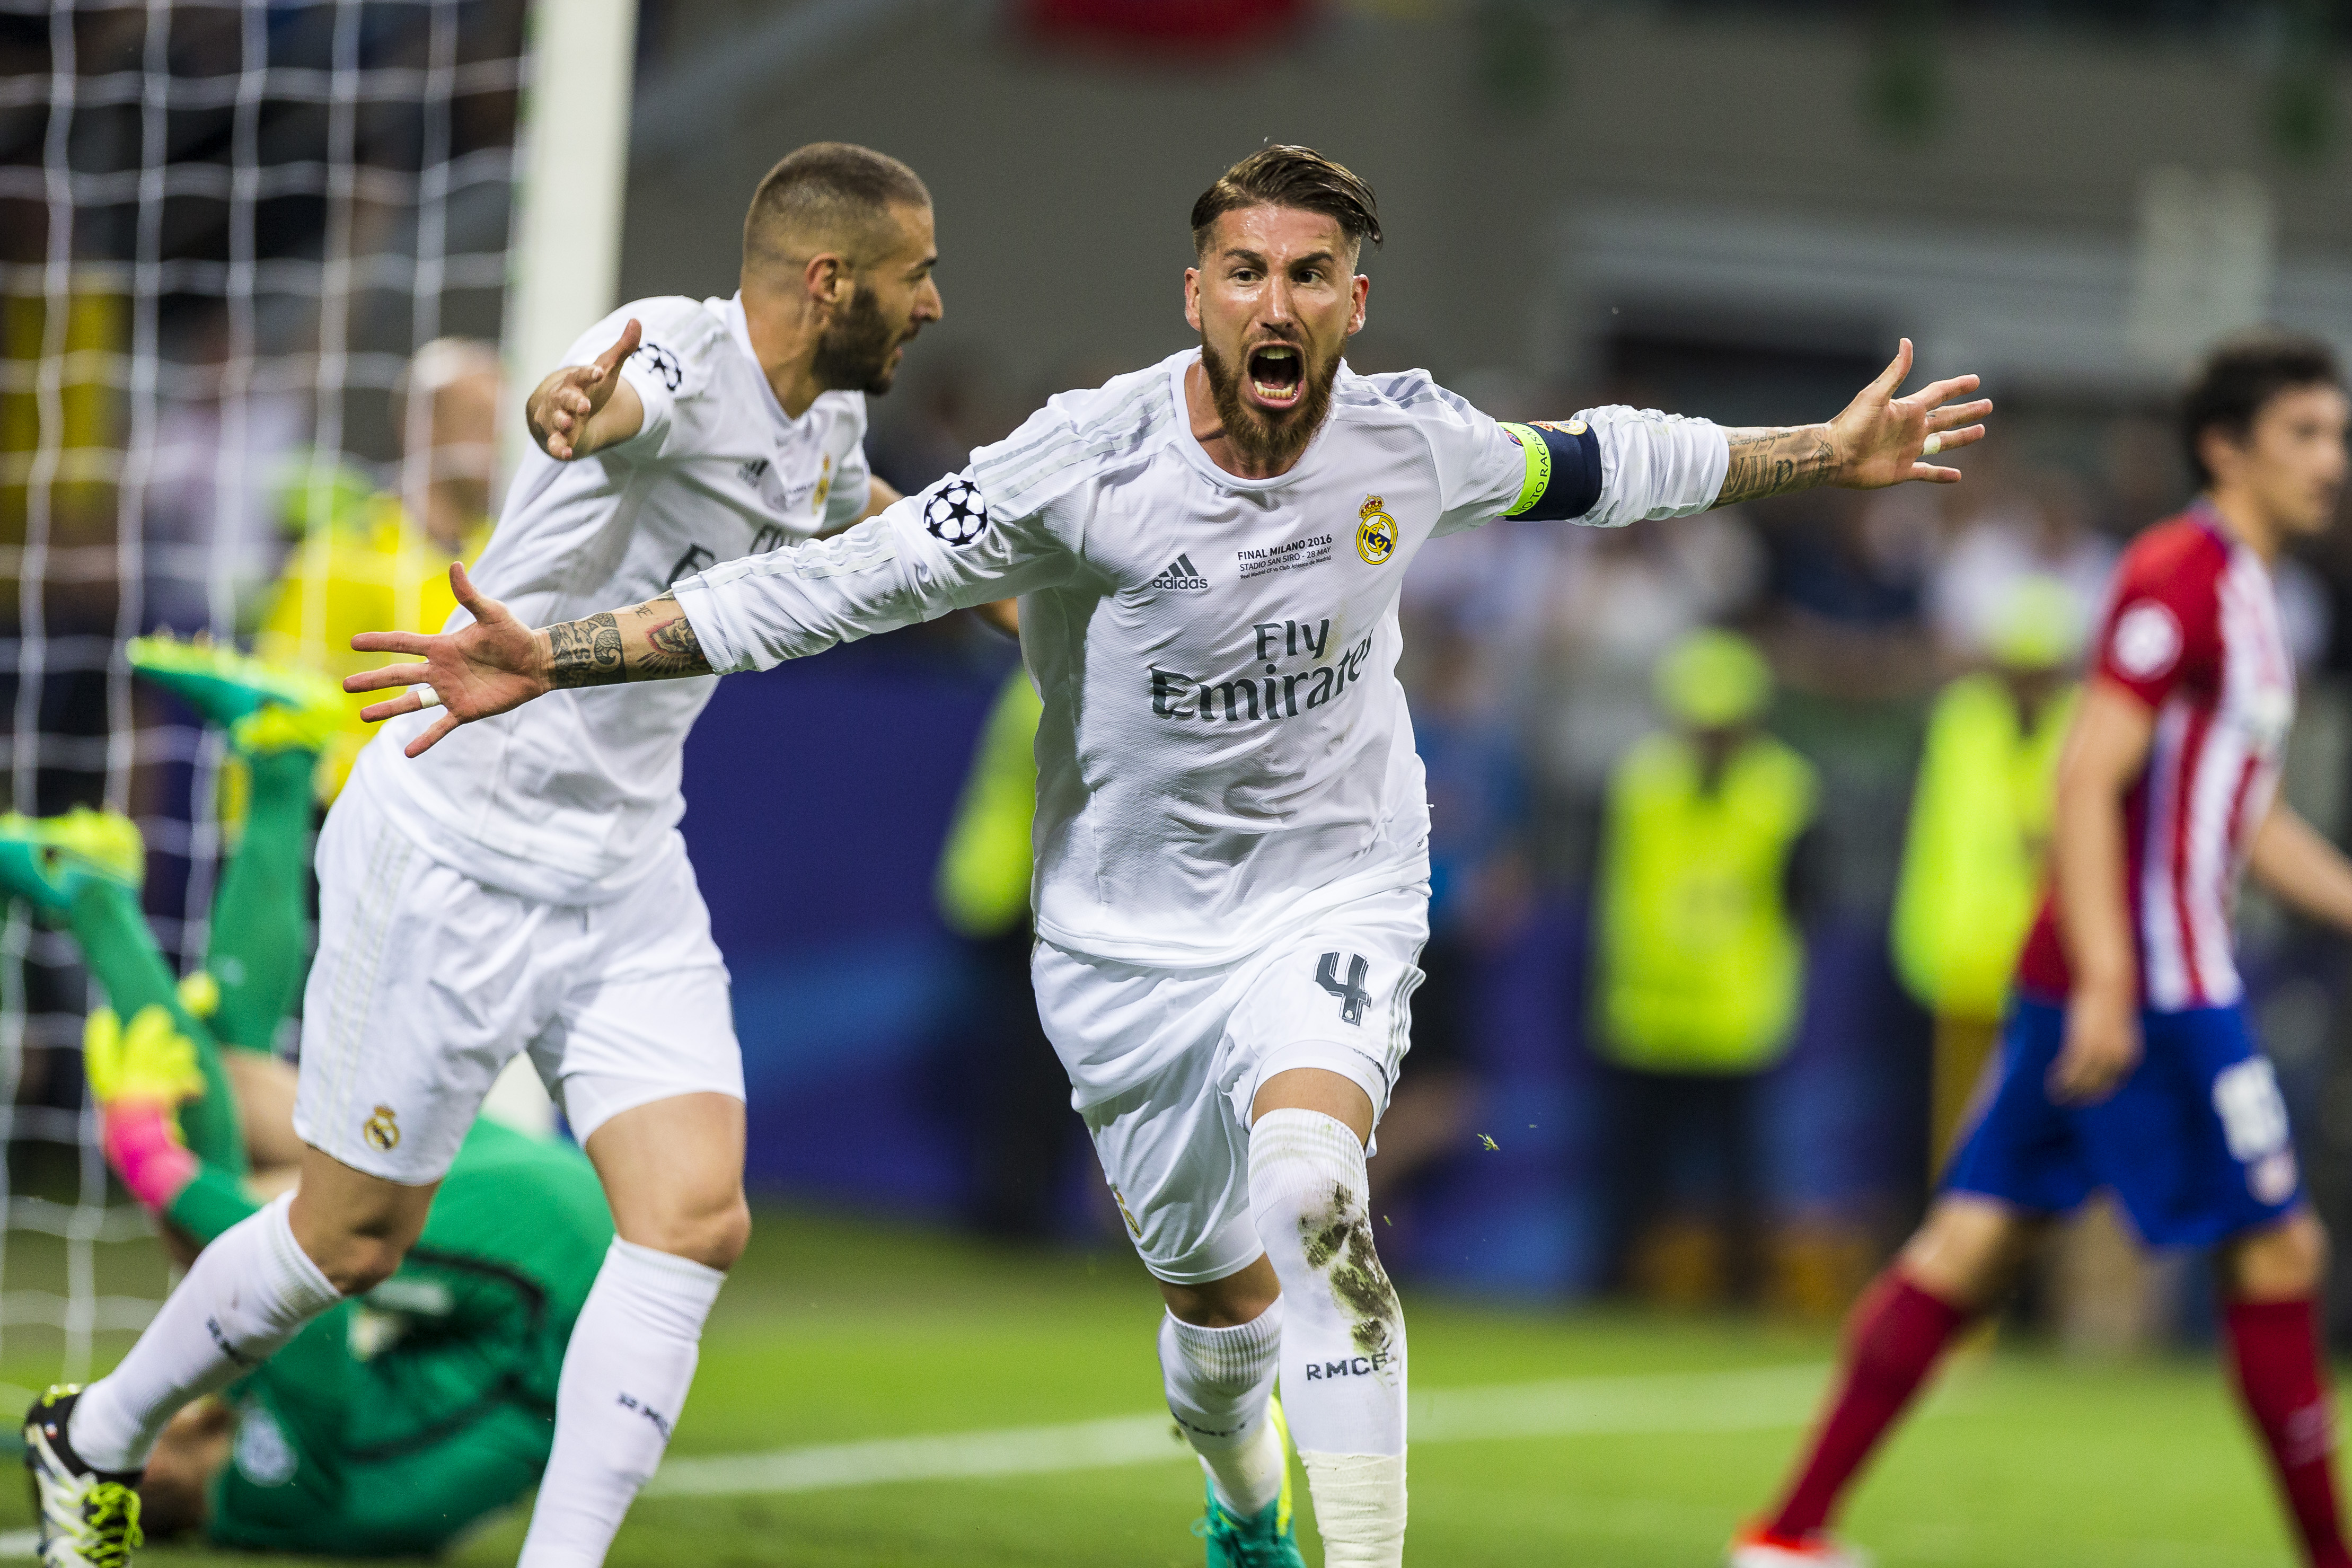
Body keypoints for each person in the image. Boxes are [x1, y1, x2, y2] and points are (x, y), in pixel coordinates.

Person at [344, 145, 1989, 1567]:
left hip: (1336, 882)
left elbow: (1608, 459)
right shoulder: (1084, 462)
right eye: (1246, 271)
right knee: (1217, 1317)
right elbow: (816, 590)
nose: (1278, 304)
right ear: (1195, 290)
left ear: (1355, 297)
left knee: (1313, 1187)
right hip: (1123, 939)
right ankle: (1239, 1495)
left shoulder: (1409, 441)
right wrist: (559, 649)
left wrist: (1817, 451)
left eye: (1314, 275)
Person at [23, 141, 942, 1568]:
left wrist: (1022, 570)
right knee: (348, 1240)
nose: (932, 302)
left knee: (694, 1217)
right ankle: (94, 1435)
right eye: (912, 276)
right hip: (457, 847)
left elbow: (857, 514)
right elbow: (606, 405)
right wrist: (568, 403)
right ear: (829, 283)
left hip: (626, 864)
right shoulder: (677, 359)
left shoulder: (816, 423)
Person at [1730, 332, 2352, 1568]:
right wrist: (2114, 989)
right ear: (2222, 448)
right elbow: (2081, 776)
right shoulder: (2177, 574)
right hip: (2155, 986)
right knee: (2279, 1247)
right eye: (2302, 436)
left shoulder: (2253, 591)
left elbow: (2243, 812)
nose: (2330, 463)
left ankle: (1785, 1534)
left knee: (1965, 1245)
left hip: (2096, 978)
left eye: (2336, 437)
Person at [1, 801, 610, 1557]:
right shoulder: (264, 1496)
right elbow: (310, 1288)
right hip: (543, 1275)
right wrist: (155, 1167)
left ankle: (274, 780)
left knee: (230, 1088)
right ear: (148, 1467)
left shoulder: (262, 1445)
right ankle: (104, 898)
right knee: (255, 1241)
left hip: (535, 1229)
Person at [1589, 628, 1817, 1306]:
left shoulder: (1784, 790)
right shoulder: (1639, 781)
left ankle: (1742, 1293)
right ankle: (1620, 1292)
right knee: (1634, 1171)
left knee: (1742, 1173)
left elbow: (1807, 898)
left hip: (1736, 1010)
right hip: (1646, 1006)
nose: (1712, 739)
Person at [256, 337, 504, 801]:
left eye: (500, 426)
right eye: (477, 421)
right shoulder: (342, 557)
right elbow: (275, 705)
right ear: (423, 426)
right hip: (353, 816)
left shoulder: (507, 559)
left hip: (471, 822)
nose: (493, 443)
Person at [1890, 575, 2082, 1172]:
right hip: (1968, 968)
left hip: (2056, 969)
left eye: (2040, 672)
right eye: (2018, 671)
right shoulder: (1963, 723)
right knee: (1964, 1133)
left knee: (2057, 1132)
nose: (2027, 687)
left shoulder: (2083, 726)